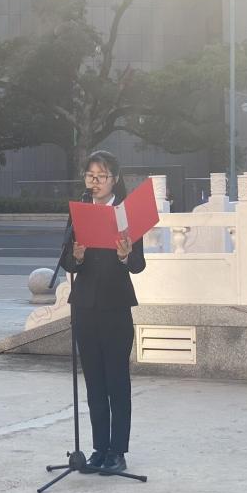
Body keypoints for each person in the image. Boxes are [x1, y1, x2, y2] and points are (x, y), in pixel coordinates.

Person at [61, 150, 146, 475]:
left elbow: (138, 265)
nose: (94, 182)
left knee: (116, 382)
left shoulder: (125, 215)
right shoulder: (78, 213)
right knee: (94, 382)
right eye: (90, 176)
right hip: (85, 306)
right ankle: (99, 448)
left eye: (101, 176)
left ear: (115, 179)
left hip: (115, 306)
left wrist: (125, 255)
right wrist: (77, 256)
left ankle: (117, 451)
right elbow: (67, 263)